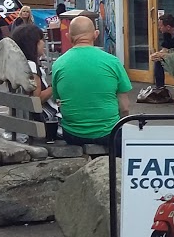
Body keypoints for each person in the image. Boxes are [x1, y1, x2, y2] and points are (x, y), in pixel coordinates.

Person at [49, 15, 131, 150]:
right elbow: (125, 108)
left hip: (73, 134)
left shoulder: (59, 64)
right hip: (109, 133)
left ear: (69, 37)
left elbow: (59, 99)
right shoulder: (112, 62)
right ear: (96, 34)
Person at [9, 22, 57, 141]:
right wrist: (55, 86)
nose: (43, 44)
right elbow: (37, 99)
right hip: (43, 124)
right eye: (41, 40)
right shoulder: (30, 66)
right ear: (33, 44)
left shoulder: (16, 65)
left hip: (26, 122)